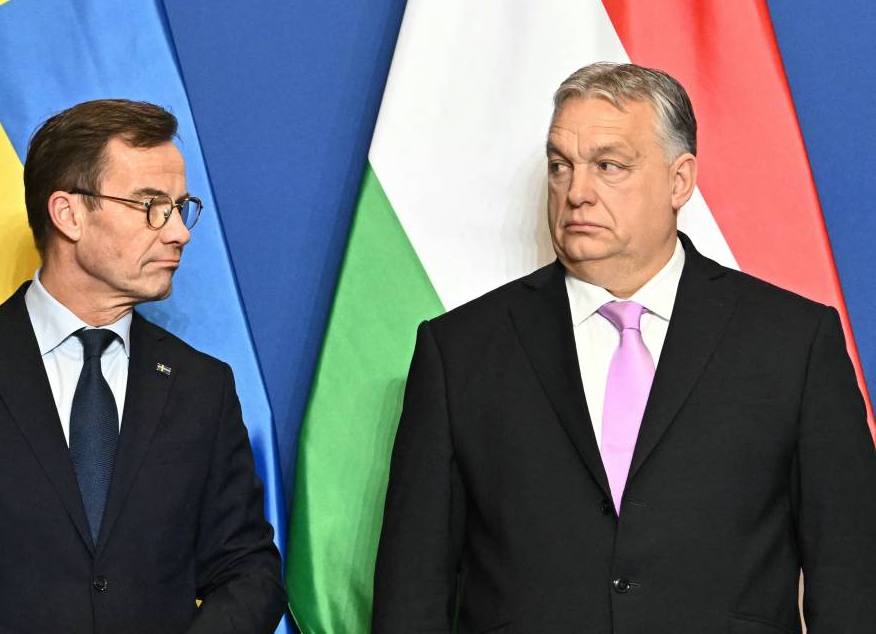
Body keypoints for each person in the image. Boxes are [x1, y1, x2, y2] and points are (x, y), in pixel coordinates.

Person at [372, 63, 876, 633]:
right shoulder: (460, 351)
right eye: (560, 166)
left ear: (680, 180)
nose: (576, 192)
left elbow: (852, 580)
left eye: (608, 166)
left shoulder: (793, 342)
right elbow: (412, 593)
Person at [0, 100, 286, 633]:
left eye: (181, 207)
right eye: (150, 205)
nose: (179, 232)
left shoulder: (202, 386)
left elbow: (248, 569)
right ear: (68, 214)